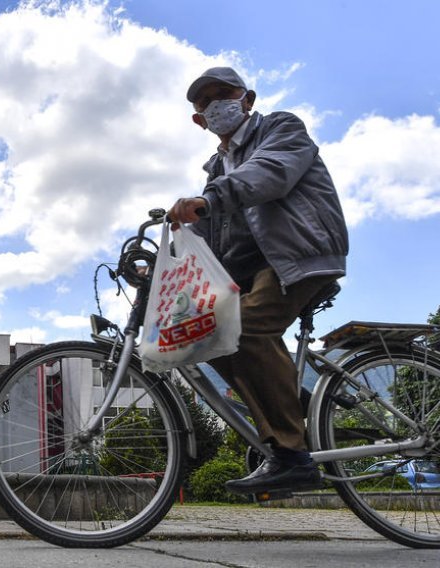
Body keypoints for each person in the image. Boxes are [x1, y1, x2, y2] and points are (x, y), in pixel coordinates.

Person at [167, 67, 349, 495]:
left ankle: (291, 454)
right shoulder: (217, 170)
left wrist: (207, 200)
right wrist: (162, 261)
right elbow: (210, 236)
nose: (216, 105)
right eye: (205, 102)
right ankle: (287, 401)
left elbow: (270, 174)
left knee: (244, 328)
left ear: (247, 98)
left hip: (298, 256)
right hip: (254, 271)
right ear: (199, 120)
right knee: (200, 334)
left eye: (224, 94)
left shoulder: (281, 128)